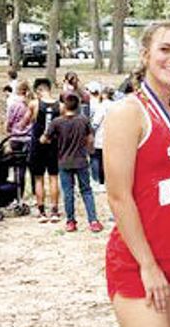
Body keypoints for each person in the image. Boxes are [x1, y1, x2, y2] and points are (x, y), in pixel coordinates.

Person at [105, 20, 170, 327]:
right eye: (166, 49)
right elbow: (118, 197)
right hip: (139, 262)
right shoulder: (127, 113)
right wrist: (147, 264)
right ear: (146, 55)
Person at [40, 93, 103, 232]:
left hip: (64, 161)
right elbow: (90, 139)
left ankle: (70, 221)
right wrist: (88, 150)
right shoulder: (83, 120)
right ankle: (93, 220)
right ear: (78, 106)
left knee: (68, 192)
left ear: (65, 105)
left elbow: (43, 139)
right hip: (81, 161)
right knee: (86, 191)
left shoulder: (57, 122)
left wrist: (52, 139)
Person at [27, 78, 62, 222]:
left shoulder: (34, 104)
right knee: (53, 178)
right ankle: (54, 210)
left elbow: (27, 121)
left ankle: (41, 212)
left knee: (38, 178)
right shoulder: (61, 106)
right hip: (53, 145)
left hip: (37, 145)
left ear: (38, 90)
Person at [6, 80, 33, 198]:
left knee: (18, 168)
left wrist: (9, 129)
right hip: (29, 138)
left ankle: (19, 194)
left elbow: (9, 121)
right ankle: (35, 190)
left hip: (16, 138)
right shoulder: (32, 103)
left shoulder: (14, 104)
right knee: (32, 167)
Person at [90, 86, 114, 192]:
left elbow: (96, 122)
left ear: (104, 94)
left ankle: (99, 181)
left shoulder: (102, 106)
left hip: (101, 136)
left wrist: (90, 132)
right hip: (113, 136)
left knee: (97, 159)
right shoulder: (116, 105)